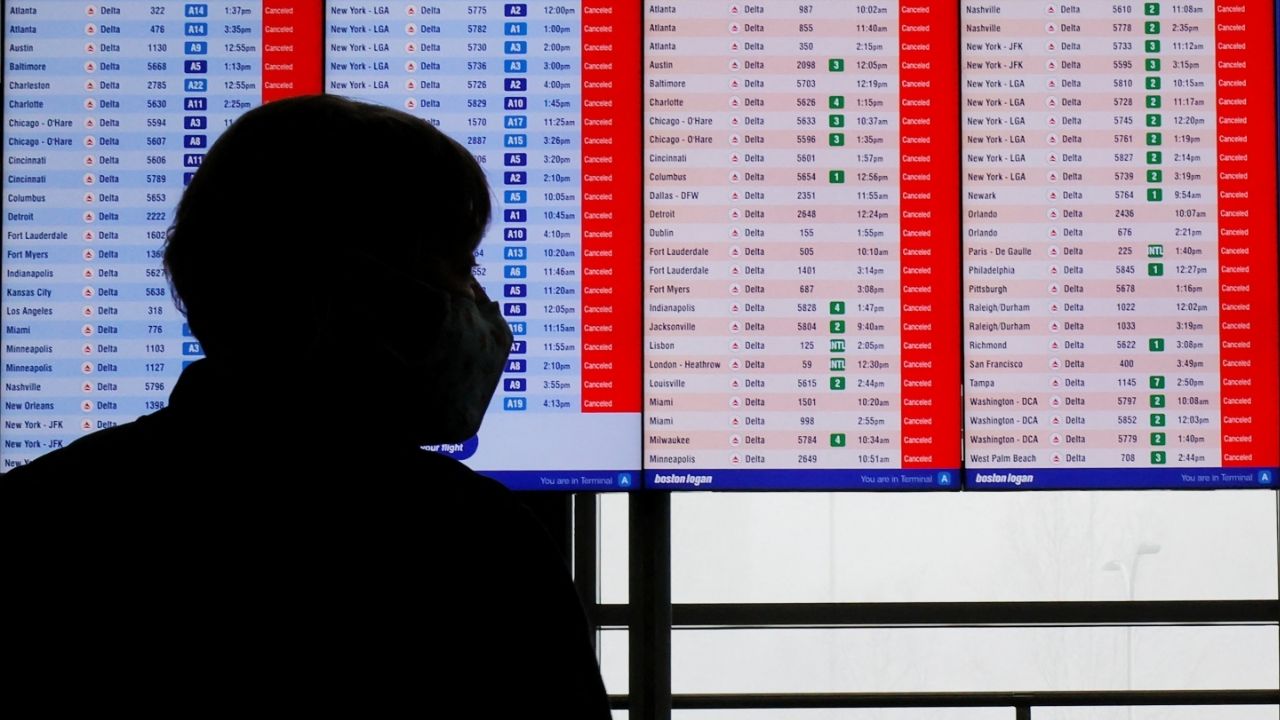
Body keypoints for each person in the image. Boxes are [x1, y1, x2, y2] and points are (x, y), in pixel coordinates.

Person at [2, 95, 611, 715]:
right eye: (460, 264)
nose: (480, 306)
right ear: (361, 291)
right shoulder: (481, 555)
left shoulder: (35, 523)